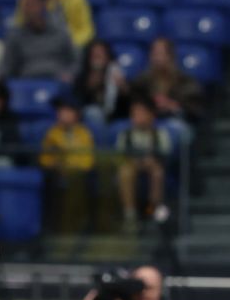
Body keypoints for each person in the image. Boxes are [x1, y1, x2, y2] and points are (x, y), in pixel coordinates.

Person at [39, 96, 95, 234]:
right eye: (60, 111)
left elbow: (87, 161)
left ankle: (84, 225)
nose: (62, 114)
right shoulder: (52, 133)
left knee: (88, 179)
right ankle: (51, 227)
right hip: (57, 173)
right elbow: (45, 160)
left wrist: (68, 167)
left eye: (66, 111)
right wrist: (58, 165)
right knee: (49, 179)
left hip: (78, 173)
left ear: (76, 114)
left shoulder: (84, 133)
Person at [116, 98, 172, 232]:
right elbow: (119, 154)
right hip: (132, 165)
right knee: (125, 172)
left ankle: (152, 212)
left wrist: (153, 160)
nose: (138, 117)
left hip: (152, 166)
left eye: (142, 113)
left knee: (158, 173)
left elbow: (166, 153)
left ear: (151, 115)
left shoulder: (159, 134)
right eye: (135, 114)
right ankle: (130, 215)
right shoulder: (126, 134)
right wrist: (133, 161)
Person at [0, 0, 76, 81]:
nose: (27, 9)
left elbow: (75, 62)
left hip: (56, 82)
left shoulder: (60, 32)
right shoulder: (15, 35)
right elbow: (7, 66)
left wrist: (69, 74)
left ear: (43, 5)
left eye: (31, 4)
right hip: (26, 83)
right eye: (24, 5)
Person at [132, 37, 203, 136]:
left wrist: (173, 106)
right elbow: (134, 103)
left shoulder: (185, 81)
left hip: (175, 121)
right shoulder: (142, 81)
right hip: (147, 121)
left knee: (170, 131)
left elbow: (195, 112)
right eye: (154, 54)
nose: (157, 58)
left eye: (161, 54)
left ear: (171, 56)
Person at [75, 40, 130, 124]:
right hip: (90, 118)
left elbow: (128, 101)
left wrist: (122, 87)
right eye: (94, 55)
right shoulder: (83, 77)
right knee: (92, 112)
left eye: (100, 54)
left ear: (107, 57)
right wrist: (89, 87)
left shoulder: (116, 72)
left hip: (115, 117)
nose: (97, 57)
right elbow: (78, 102)